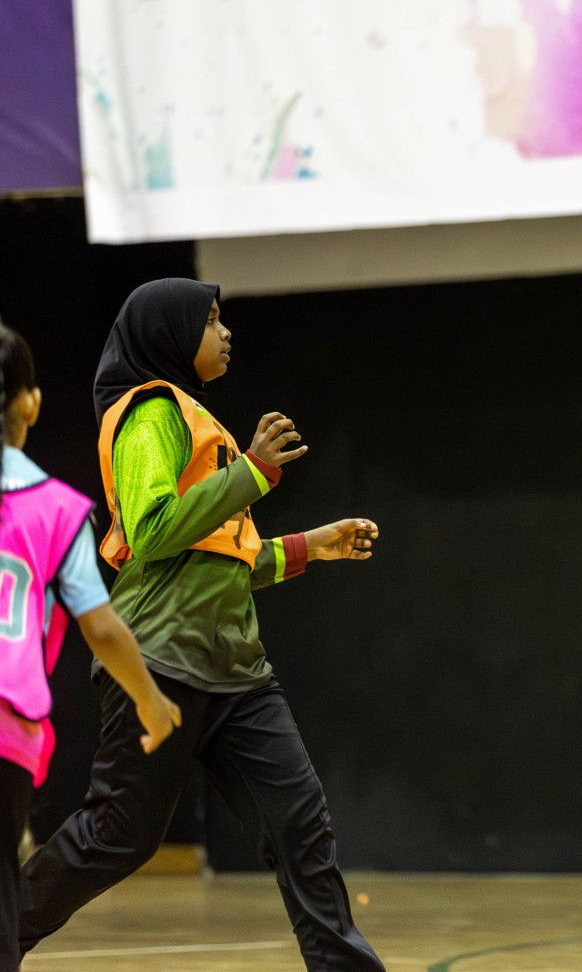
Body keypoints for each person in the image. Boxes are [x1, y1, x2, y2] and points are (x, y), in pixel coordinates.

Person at [16, 279, 387, 971]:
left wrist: (313, 545)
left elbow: (225, 560)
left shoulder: (195, 421)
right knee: (118, 839)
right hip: (159, 661)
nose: (225, 332)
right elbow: (155, 533)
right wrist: (252, 473)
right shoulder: (148, 412)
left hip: (237, 672)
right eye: (212, 320)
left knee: (301, 824)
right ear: (168, 333)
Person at [0, 321, 181, 972]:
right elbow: (100, 626)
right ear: (31, 403)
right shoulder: (57, 509)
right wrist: (152, 703)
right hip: (6, 731)